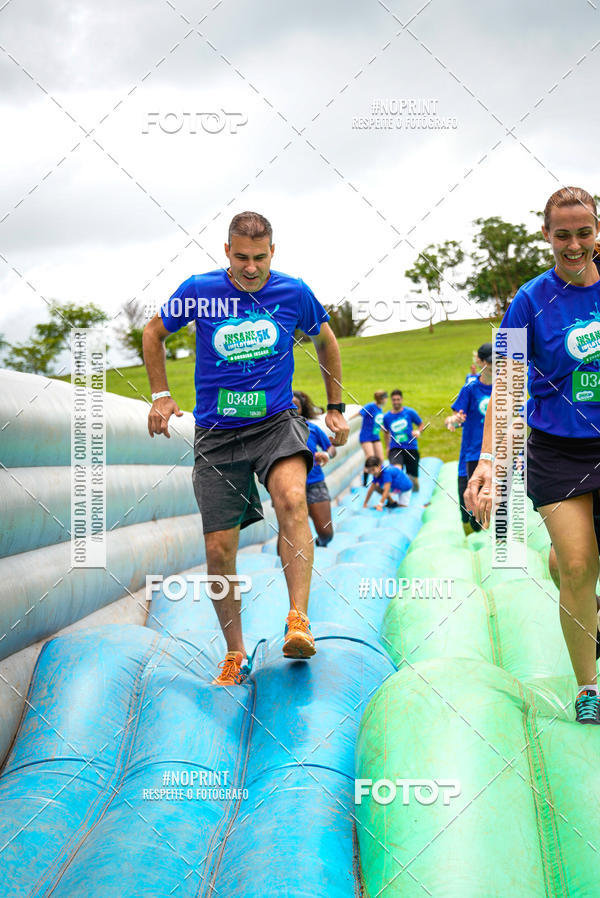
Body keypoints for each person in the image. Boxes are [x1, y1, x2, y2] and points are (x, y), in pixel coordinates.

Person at [143, 211, 349, 686]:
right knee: (219, 550)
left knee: (293, 499)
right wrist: (160, 395)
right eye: (241, 258)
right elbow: (153, 333)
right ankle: (234, 653)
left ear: (272, 252)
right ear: (227, 252)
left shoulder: (293, 292)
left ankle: (298, 619)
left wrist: (335, 405)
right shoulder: (200, 290)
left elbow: (326, 339)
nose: (251, 267)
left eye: (259, 257)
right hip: (217, 434)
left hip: (275, 423)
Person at [465, 186, 600, 724]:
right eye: (562, 234)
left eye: (584, 232)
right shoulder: (528, 302)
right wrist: (490, 463)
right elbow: (506, 387)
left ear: (597, 232)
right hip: (558, 450)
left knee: (583, 563)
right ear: (546, 235)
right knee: (575, 563)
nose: (574, 245)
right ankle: (588, 686)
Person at [445, 343, 493, 535]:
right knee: (471, 513)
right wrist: (454, 421)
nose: (494, 365)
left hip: (496, 454)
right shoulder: (470, 388)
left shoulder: (504, 386)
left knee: (492, 506)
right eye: (490, 362)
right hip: (474, 454)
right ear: (480, 361)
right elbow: (454, 420)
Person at [292, 389, 336, 547]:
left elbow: (332, 448)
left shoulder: (313, 429)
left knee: (326, 533)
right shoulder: (278, 432)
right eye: (287, 404)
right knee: (288, 535)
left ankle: (319, 544)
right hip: (289, 486)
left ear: (302, 408)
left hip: (314, 483)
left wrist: (326, 454)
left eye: (296, 405)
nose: (292, 408)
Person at [381, 390, 424, 490]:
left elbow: (421, 424)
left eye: (398, 399)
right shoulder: (387, 417)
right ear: (391, 401)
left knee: (413, 480)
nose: (396, 402)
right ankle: (393, 492)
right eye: (394, 400)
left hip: (411, 447)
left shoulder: (409, 412)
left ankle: (413, 495)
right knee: (396, 471)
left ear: (402, 400)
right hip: (395, 448)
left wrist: (418, 431)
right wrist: (387, 447)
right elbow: (386, 432)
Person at [356, 390, 388, 485]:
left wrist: (383, 428)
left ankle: (379, 478)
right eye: (385, 398)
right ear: (381, 399)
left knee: (380, 458)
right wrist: (347, 420)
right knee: (370, 459)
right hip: (366, 436)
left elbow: (376, 421)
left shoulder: (380, 409)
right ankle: (365, 482)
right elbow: (359, 413)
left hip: (375, 436)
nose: (386, 400)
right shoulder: (370, 406)